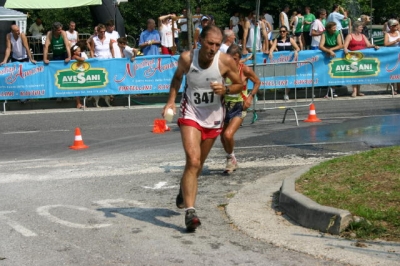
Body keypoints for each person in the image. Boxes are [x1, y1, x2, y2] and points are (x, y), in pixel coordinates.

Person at [162, 25, 242, 231]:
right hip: (191, 114)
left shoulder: (225, 61)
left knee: (196, 167)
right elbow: (177, 78)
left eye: (217, 44)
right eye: (210, 43)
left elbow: (240, 84)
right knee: (193, 160)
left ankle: (183, 189)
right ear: (200, 41)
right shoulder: (187, 58)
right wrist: (171, 101)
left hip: (214, 118)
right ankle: (191, 212)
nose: (214, 48)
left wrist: (225, 89)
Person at [221, 44, 260, 173]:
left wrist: (250, 97)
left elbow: (257, 82)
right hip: (224, 106)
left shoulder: (245, 70)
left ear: (239, 58)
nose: (233, 61)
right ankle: (231, 158)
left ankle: (231, 159)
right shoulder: (222, 71)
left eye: (235, 59)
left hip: (239, 106)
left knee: (228, 134)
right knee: (223, 137)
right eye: (230, 58)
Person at [343, 21, 379, 97]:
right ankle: (354, 91)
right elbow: (345, 46)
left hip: (362, 57)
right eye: (360, 27)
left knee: (360, 74)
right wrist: (346, 51)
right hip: (353, 57)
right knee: (354, 74)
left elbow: (368, 44)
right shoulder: (350, 36)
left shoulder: (363, 36)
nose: (362, 28)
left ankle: (358, 91)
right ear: (356, 28)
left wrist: (374, 46)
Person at [269, 25, 300, 101]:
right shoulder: (277, 40)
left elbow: (297, 48)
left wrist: (296, 51)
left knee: (288, 77)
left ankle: (286, 93)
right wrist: (270, 52)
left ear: (286, 32)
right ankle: (283, 89)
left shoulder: (290, 39)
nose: (282, 33)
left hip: (289, 62)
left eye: (283, 31)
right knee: (282, 77)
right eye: (280, 31)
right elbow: (272, 48)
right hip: (281, 62)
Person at [319, 21, 344, 98]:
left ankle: (333, 90)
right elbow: (321, 46)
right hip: (327, 52)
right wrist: (328, 51)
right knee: (326, 71)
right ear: (329, 28)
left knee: (334, 71)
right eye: (333, 28)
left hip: (335, 53)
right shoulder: (324, 34)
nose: (335, 29)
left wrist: (331, 50)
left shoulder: (337, 33)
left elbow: (340, 45)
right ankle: (325, 88)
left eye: (335, 28)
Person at [383, 19, 400, 94]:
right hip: (391, 54)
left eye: (397, 25)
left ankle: (399, 88)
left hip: (398, 54)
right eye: (395, 25)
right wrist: (395, 41)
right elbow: (386, 44)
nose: (397, 26)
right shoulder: (387, 34)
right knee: (392, 70)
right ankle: (393, 88)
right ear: (391, 27)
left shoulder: (398, 32)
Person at [70, 44, 86, 109]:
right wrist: (83, 58)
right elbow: (82, 59)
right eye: (78, 51)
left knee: (80, 89)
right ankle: (78, 103)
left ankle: (81, 103)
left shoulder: (77, 56)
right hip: (75, 73)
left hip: (79, 73)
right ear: (74, 52)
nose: (80, 53)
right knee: (77, 89)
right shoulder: (74, 56)